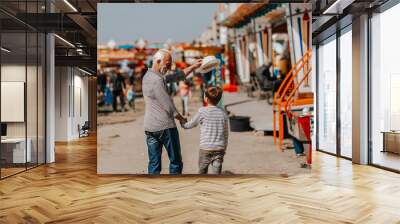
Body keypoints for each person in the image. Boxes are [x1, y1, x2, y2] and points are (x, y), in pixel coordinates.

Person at [142, 49, 202, 174]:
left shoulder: (149, 76)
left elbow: (176, 76)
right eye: (168, 64)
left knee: (154, 163)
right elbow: (168, 105)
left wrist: (193, 66)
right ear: (158, 61)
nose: (169, 67)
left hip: (150, 127)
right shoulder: (157, 80)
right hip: (165, 127)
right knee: (175, 161)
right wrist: (181, 118)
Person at [181, 86, 229, 174]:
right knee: (216, 175)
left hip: (205, 149)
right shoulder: (223, 113)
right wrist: (224, 147)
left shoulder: (202, 111)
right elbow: (226, 133)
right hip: (219, 149)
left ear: (206, 99)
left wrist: (183, 124)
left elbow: (192, 124)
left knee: (202, 173)